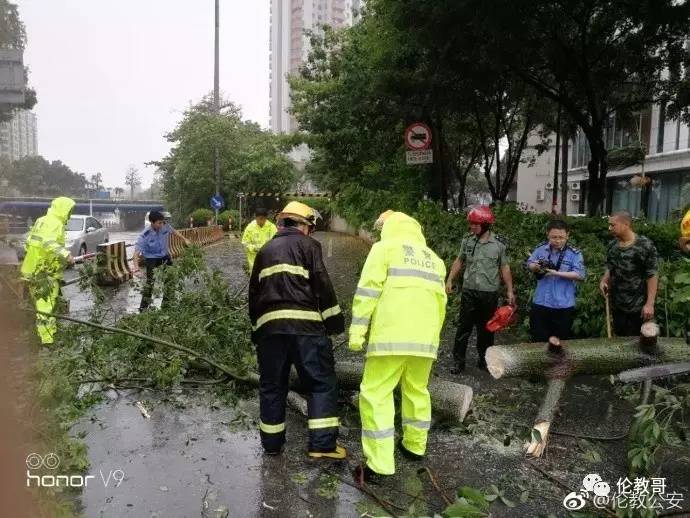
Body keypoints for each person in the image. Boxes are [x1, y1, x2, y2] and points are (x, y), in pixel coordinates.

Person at [349, 210, 446, 482]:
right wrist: (433, 338)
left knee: (376, 394)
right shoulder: (434, 260)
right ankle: (415, 446)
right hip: (424, 342)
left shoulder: (384, 249)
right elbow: (441, 304)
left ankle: (379, 465)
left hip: (390, 339)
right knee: (417, 390)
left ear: (389, 228)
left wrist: (357, 332)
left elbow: (368, 290)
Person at [248, 201, 346, 459]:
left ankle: (271, 445)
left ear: (282, 223)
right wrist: (334, 322)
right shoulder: (309, 246)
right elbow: (322, 285)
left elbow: (253, 294)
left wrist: (256, 330)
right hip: (306, 329)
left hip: (270, 331)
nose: (310, 232)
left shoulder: (265, 250)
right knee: (320, 383)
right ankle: (322, 446)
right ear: (302, 225)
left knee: (271, 386)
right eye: (310, 227)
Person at [445, 205, 514, 373]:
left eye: (476, 224)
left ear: (486, 225)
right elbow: (460, 260)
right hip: (469, 291)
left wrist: (510, 290)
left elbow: (504, 267)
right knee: (463, 328)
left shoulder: (498, 244)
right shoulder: (467, 240)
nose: (472, 227)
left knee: (487, 329)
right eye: (471, 223)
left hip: (489, 293)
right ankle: (458, 362)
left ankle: (484, 360)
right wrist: (449, 279)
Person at [20, 197, 76, 345]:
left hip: (31, 270)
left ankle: (40, 335)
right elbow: (48, 242)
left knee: (38, 305)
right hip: (46, 273)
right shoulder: (56, 223)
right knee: (46, 307)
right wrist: (66, 255)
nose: (70, 214)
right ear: (63, 209)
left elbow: (28, 243)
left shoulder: (41, 220)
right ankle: (47, 341)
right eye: (70, 211)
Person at [599, 211, 658, 336]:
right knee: (621, 342)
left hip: (639, 307)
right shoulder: (612, 246)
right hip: (617, 306)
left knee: (641, 344)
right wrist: (604, 280)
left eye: (613, 225)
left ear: (626, 224)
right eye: (609, 225)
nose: (609, 228)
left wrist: (649, 304)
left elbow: (652, 275)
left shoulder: (645, 245)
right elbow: (610, 267)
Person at [526, 220, 586, 342]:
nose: (557, 241)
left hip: (563, 306)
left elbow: (580, 275)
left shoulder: (574, 253)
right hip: (540, 303)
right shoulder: (540, 249)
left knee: (559, 345)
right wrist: (535, 266)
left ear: (567, 235)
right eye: (554, 237)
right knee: (538, 341)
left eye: (561, 237)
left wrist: (556, 273)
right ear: (547, 234)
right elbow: (529, 264)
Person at [131, 211, 190, 311]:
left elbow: (175, 232)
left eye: (162, 222)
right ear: (152, 223)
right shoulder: (145, 235)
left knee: (170, 280)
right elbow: (136, 253)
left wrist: (184, 239)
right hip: (151, 259)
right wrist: (136, 269)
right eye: (159, 223)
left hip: (164, 256)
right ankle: (143, 309)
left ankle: (167, 305)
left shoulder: (165, 226)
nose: (162, 225)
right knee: (150, 284)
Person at [242, 208, 277, 272]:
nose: (260, 221)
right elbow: (244, 243)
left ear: (266, 218)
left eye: (262, 219)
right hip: (254, 264)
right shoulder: (249, 228)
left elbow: (276, 244)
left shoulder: (272, 227)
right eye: (259, 218)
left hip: (268, 264)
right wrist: (254, 248)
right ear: (255, 217)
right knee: (255, 281)